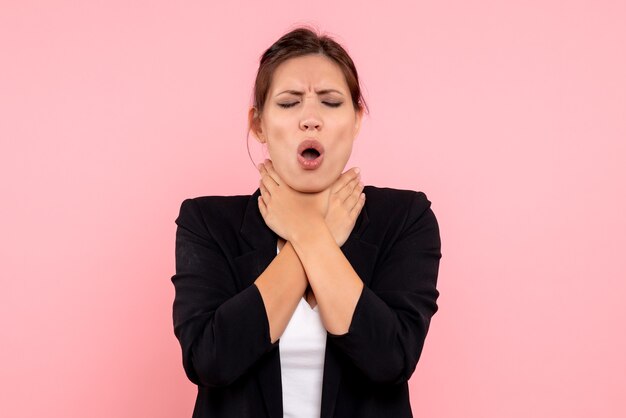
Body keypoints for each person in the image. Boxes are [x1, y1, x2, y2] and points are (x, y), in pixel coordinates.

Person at [171, 26, 442, 418]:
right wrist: (317, 236)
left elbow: (391, 360)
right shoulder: (207, 222)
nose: (310, 119)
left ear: (356, 119)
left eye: (331, 103)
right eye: (288, 103)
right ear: (258, 123)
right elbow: (211, 361)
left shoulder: (405, 218)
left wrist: (306, 233)